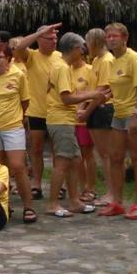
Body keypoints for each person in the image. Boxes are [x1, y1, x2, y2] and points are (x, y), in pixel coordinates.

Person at [0, 40, 36, 223]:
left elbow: (25, 101)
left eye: (0, 57)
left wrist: (17, 118)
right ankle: (4, 205)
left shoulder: (18, 76)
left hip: (12, 127)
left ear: (8, 59)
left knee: (18, 167)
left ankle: (28, 206)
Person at [45, 33, 102, 217]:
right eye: (82, 48)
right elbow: (66, 97)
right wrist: (92, 95)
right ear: (76, 48)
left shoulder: (62, 66)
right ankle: (53, 204)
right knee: (62, 162)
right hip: (60, 119)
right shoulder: (61, 68)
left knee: (75, 160)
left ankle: (74, 200)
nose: (84, 51)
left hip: (66, 118)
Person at [101, 22, 137, 220]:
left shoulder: (133, 58)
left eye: (115, 36)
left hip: (135, 114)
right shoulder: (113, 60)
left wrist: (136, 115)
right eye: (108, 36)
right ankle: (118, 202)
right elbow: (118, 87)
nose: (111, 39)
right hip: (118, 114)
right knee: (115, 157)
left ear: (124, 38)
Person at [12, 22, 63, 200]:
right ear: (39, 40)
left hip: (57, 110)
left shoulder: (61, 57)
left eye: (55, 38)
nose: (53, 42)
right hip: (36, 111)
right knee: (36, 149)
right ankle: (37, 184)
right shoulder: (32, 56)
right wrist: (38, 32)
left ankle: (60, 184)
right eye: (49, 39)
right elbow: (19, 46)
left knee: (58, 150)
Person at [84, 27, 116, 207]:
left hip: (104, 108)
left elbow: (103, 90)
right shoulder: (96, 60)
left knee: (107, 154)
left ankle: (112, 192)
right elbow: (92, 88)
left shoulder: (106, 61)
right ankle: (109, 190)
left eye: (88, 42)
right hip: (94, 107)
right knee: (101, 154)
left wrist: (87, 110)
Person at [69, 40, 99, 203]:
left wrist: (82, 109)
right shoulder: (65, 70)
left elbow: (92, 92)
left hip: (84, 118)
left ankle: (91, 187)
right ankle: (81, 187)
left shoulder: (89, 69)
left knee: (87, 154)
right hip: (67, 118)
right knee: (76, 156)